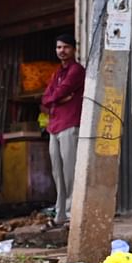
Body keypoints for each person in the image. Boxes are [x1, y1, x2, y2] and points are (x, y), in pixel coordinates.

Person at [41, 33, 85, 226]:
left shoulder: (76, 70)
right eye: (59, 47)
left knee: (70, 171)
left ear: (73, 49)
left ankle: (71, 213)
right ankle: (60, 214)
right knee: (57, 172)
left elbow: (59, 92)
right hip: (55, 126)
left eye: (66, 47)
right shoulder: (57, 72)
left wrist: (56, 97)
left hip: (70, 124)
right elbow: (46, 97)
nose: (62, 51)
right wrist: (57, 98)